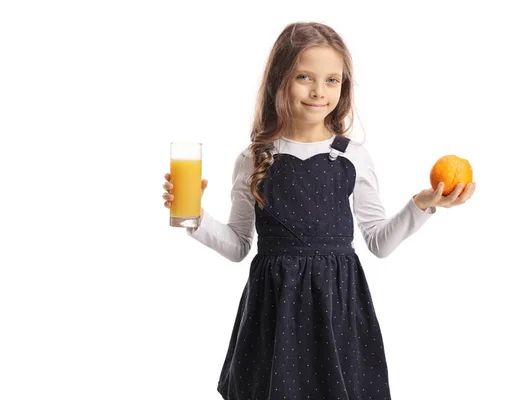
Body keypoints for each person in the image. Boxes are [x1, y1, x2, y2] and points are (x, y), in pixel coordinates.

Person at [162, 21, 475, 400]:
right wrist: (193, 214)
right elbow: (238, 245)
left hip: (337, 308)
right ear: (280, 79)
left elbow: (378, 241)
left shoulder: (351, 156)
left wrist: (423, 205)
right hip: (273, 313)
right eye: (304, 77)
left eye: (332, 80)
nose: (318, 91)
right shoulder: (255, 158)